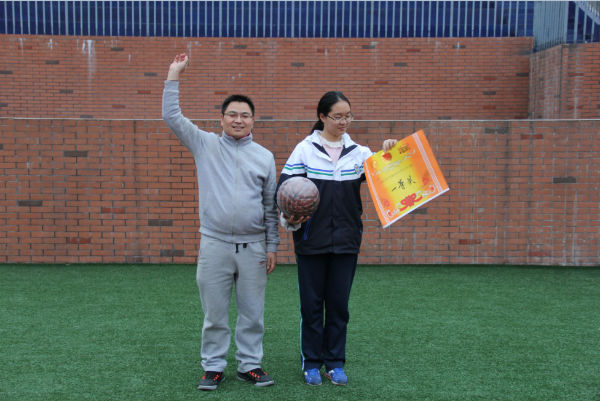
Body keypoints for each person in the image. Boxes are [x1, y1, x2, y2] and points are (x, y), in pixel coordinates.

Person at [162, 53, 280, 391]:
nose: (238, 120)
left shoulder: (265, 157)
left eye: (245, 115)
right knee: (214, 314)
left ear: (253, 120)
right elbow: (172, 116)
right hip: (214, 244)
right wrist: (174, 74)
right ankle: (213, 367)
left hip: (254, 246)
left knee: (252, 313)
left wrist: (272, 246)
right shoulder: (205, 144)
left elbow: (270, 206)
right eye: (232, 114)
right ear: (222, 118)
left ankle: (250, 365)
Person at [277, 91, 397, 386]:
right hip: (310, 243)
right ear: (322, 117)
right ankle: (311, 362)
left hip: (346, 242)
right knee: (311, 306)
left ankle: (334, 362)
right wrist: (289, 219)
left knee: (339, 306)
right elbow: (284, 193)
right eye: (337, 116)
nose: (344, 122)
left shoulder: (360, 153)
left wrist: (390, 151)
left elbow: (389, 178)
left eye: (348, 116)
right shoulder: (304, 150)